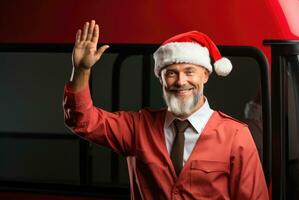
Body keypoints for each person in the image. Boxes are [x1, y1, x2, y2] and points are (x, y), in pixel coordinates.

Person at [63, 20, 269, 200]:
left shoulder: (236, 136)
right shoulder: (137, 128)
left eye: (190, 71)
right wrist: (81, 70)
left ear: (205, 75)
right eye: (171, 73)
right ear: (160, 79)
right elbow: (83, 122)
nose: (181, 81)